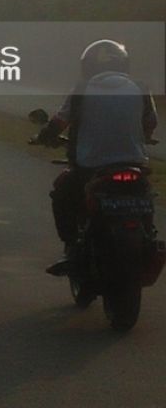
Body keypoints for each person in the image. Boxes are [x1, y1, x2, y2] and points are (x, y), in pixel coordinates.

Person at [34, 39, 157, 275]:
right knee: (145, 193)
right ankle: (149, 239)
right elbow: (150, 123)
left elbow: (60, 121)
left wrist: (46, 136)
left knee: (63, 189)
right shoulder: (140, 87)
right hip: (134, 163)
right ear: (124, 64)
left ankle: (71, 251)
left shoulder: (82, 89)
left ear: (87, 65)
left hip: (90, 166)